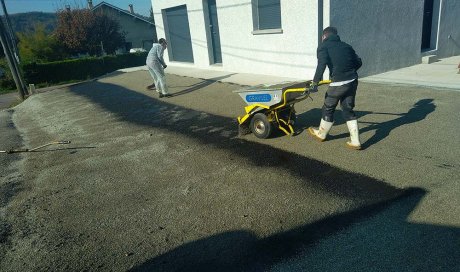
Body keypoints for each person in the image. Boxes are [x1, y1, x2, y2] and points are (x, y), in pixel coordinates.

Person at [307, 27, 363, 150]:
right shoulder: (346, 46)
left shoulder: (323, 46)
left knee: (328, 107)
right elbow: (359, 62)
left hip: (338, 82)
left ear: (324, 36)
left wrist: (315, 82)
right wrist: (349, 72)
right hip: (352, 81)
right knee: (348, 109)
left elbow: (321, 64)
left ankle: (321, 134)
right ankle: (355, 141)